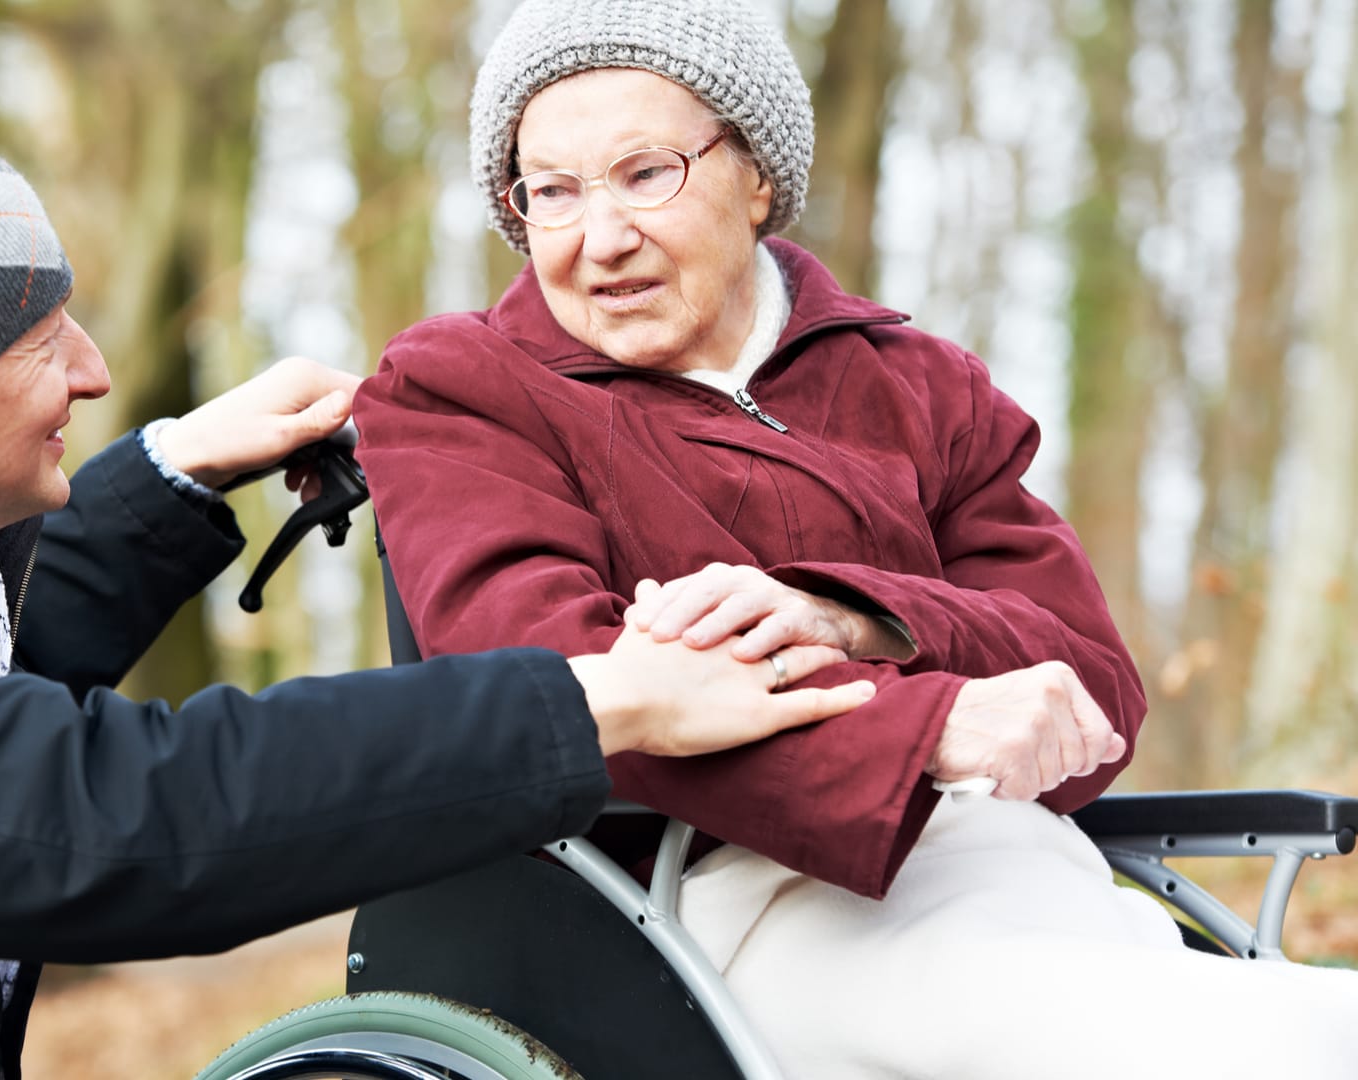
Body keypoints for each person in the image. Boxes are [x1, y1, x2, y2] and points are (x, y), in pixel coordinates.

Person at [0, 101, 882, 1079]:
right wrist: (588, 705)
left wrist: (176, 477)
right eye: (38, 344)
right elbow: (91, 815)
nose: (95, 373)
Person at [353, 1, 1358, 1076]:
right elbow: (550, 683)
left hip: (1032, 874)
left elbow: (1090, 686)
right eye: (552, 193)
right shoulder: (460, 391)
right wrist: (925, 728)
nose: (600, 238)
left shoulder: (918, 384)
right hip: (701, 913)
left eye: (646, 173)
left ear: (757, 179)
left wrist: (856, 616)